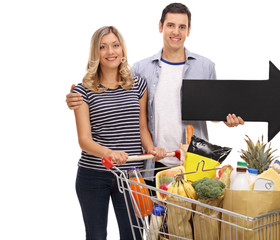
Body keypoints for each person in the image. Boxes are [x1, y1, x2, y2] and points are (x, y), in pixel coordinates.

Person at [66, 3, 244, 181]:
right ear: (161, 27)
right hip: (154, 161)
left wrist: (226, 118)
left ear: (189, 30)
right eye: (170, 25)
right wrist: (76, 98)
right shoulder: (141, 69)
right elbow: (124, 103)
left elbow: (212, 111)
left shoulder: (205, 67)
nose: (176, 32)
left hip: (194, 161)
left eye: (182, 27)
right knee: (152, 210)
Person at [72, 26, 165, 240]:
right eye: (103, 47)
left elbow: (142, 128)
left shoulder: (138, 85)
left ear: (122, 49)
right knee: (96, 235)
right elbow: (84, 140)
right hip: (94, 175)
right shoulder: (82, 90)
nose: (110, 51)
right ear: (95, 53)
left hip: (131, 176)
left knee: (133, 235)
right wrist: (109, 153)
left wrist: (152, 149)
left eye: (115, 45)